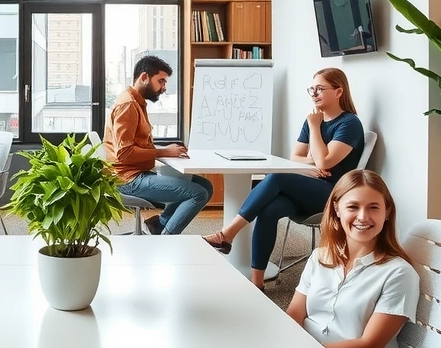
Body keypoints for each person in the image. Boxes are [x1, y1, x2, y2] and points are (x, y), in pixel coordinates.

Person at [205, 67, 365, 289]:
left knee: (277, 177)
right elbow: (294, 157)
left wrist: (315, 129)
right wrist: (310, 167)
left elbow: (326, 163)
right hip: (309, 187)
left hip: (334, 195)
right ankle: (257, 283)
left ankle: (227, 234)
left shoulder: (349, 124)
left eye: (321, 89)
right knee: (269, 211)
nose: (315, 93)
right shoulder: (313, 120)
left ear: (338, 92)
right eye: (313, 89)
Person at [286, 169, 420, 348]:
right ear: (337, 209)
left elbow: (369, 347)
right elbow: (294, 314)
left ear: (387, 212)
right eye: (353, 207)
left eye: (373, 208)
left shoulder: (398, 273)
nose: (363, 217)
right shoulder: (320, 256)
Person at [104, 55, 212, 235]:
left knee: (205, 186)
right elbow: (125, 153)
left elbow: (135, 145)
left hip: (136, 173)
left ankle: (159, 224)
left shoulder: (136, 102)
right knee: (198, 193)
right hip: (127, 179)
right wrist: (165, 152)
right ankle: (165, 239)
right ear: (144, 77)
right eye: (161, 81)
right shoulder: (128, 105)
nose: (164, 88)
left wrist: (164, 150)